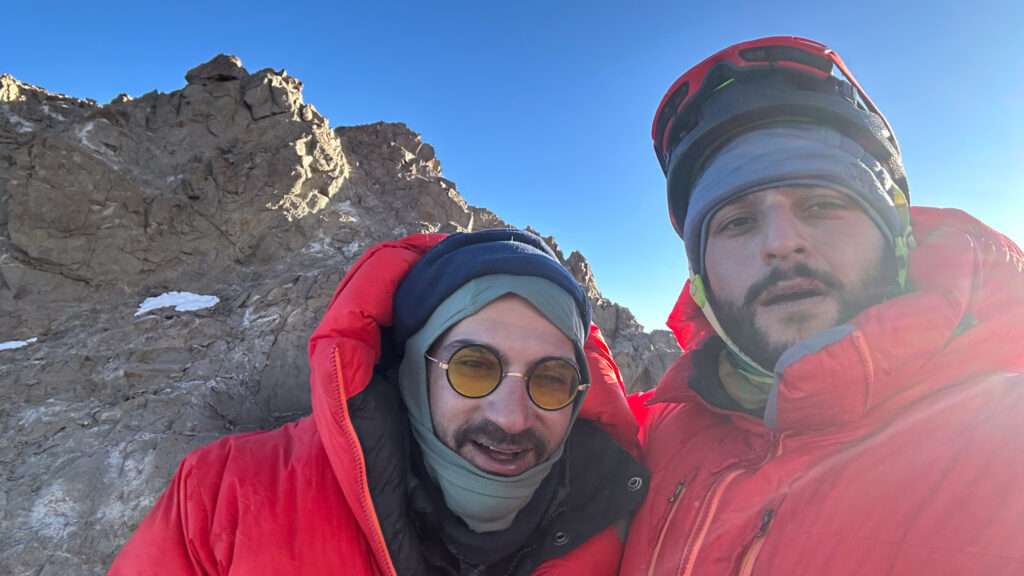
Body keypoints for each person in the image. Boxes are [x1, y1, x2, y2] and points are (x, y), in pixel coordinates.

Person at [620, 36, 1024, 575]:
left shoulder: (1004, 439)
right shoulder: (658, 436)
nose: (781, 242)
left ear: (895, 234)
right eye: (738, 221)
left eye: (822, 204)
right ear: (699, 277)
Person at [109, 229, 648, 575]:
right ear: (415, 369)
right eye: (474, 367)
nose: (510, 416)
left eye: (551, 380)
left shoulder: (625, 520)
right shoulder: (222, 495)